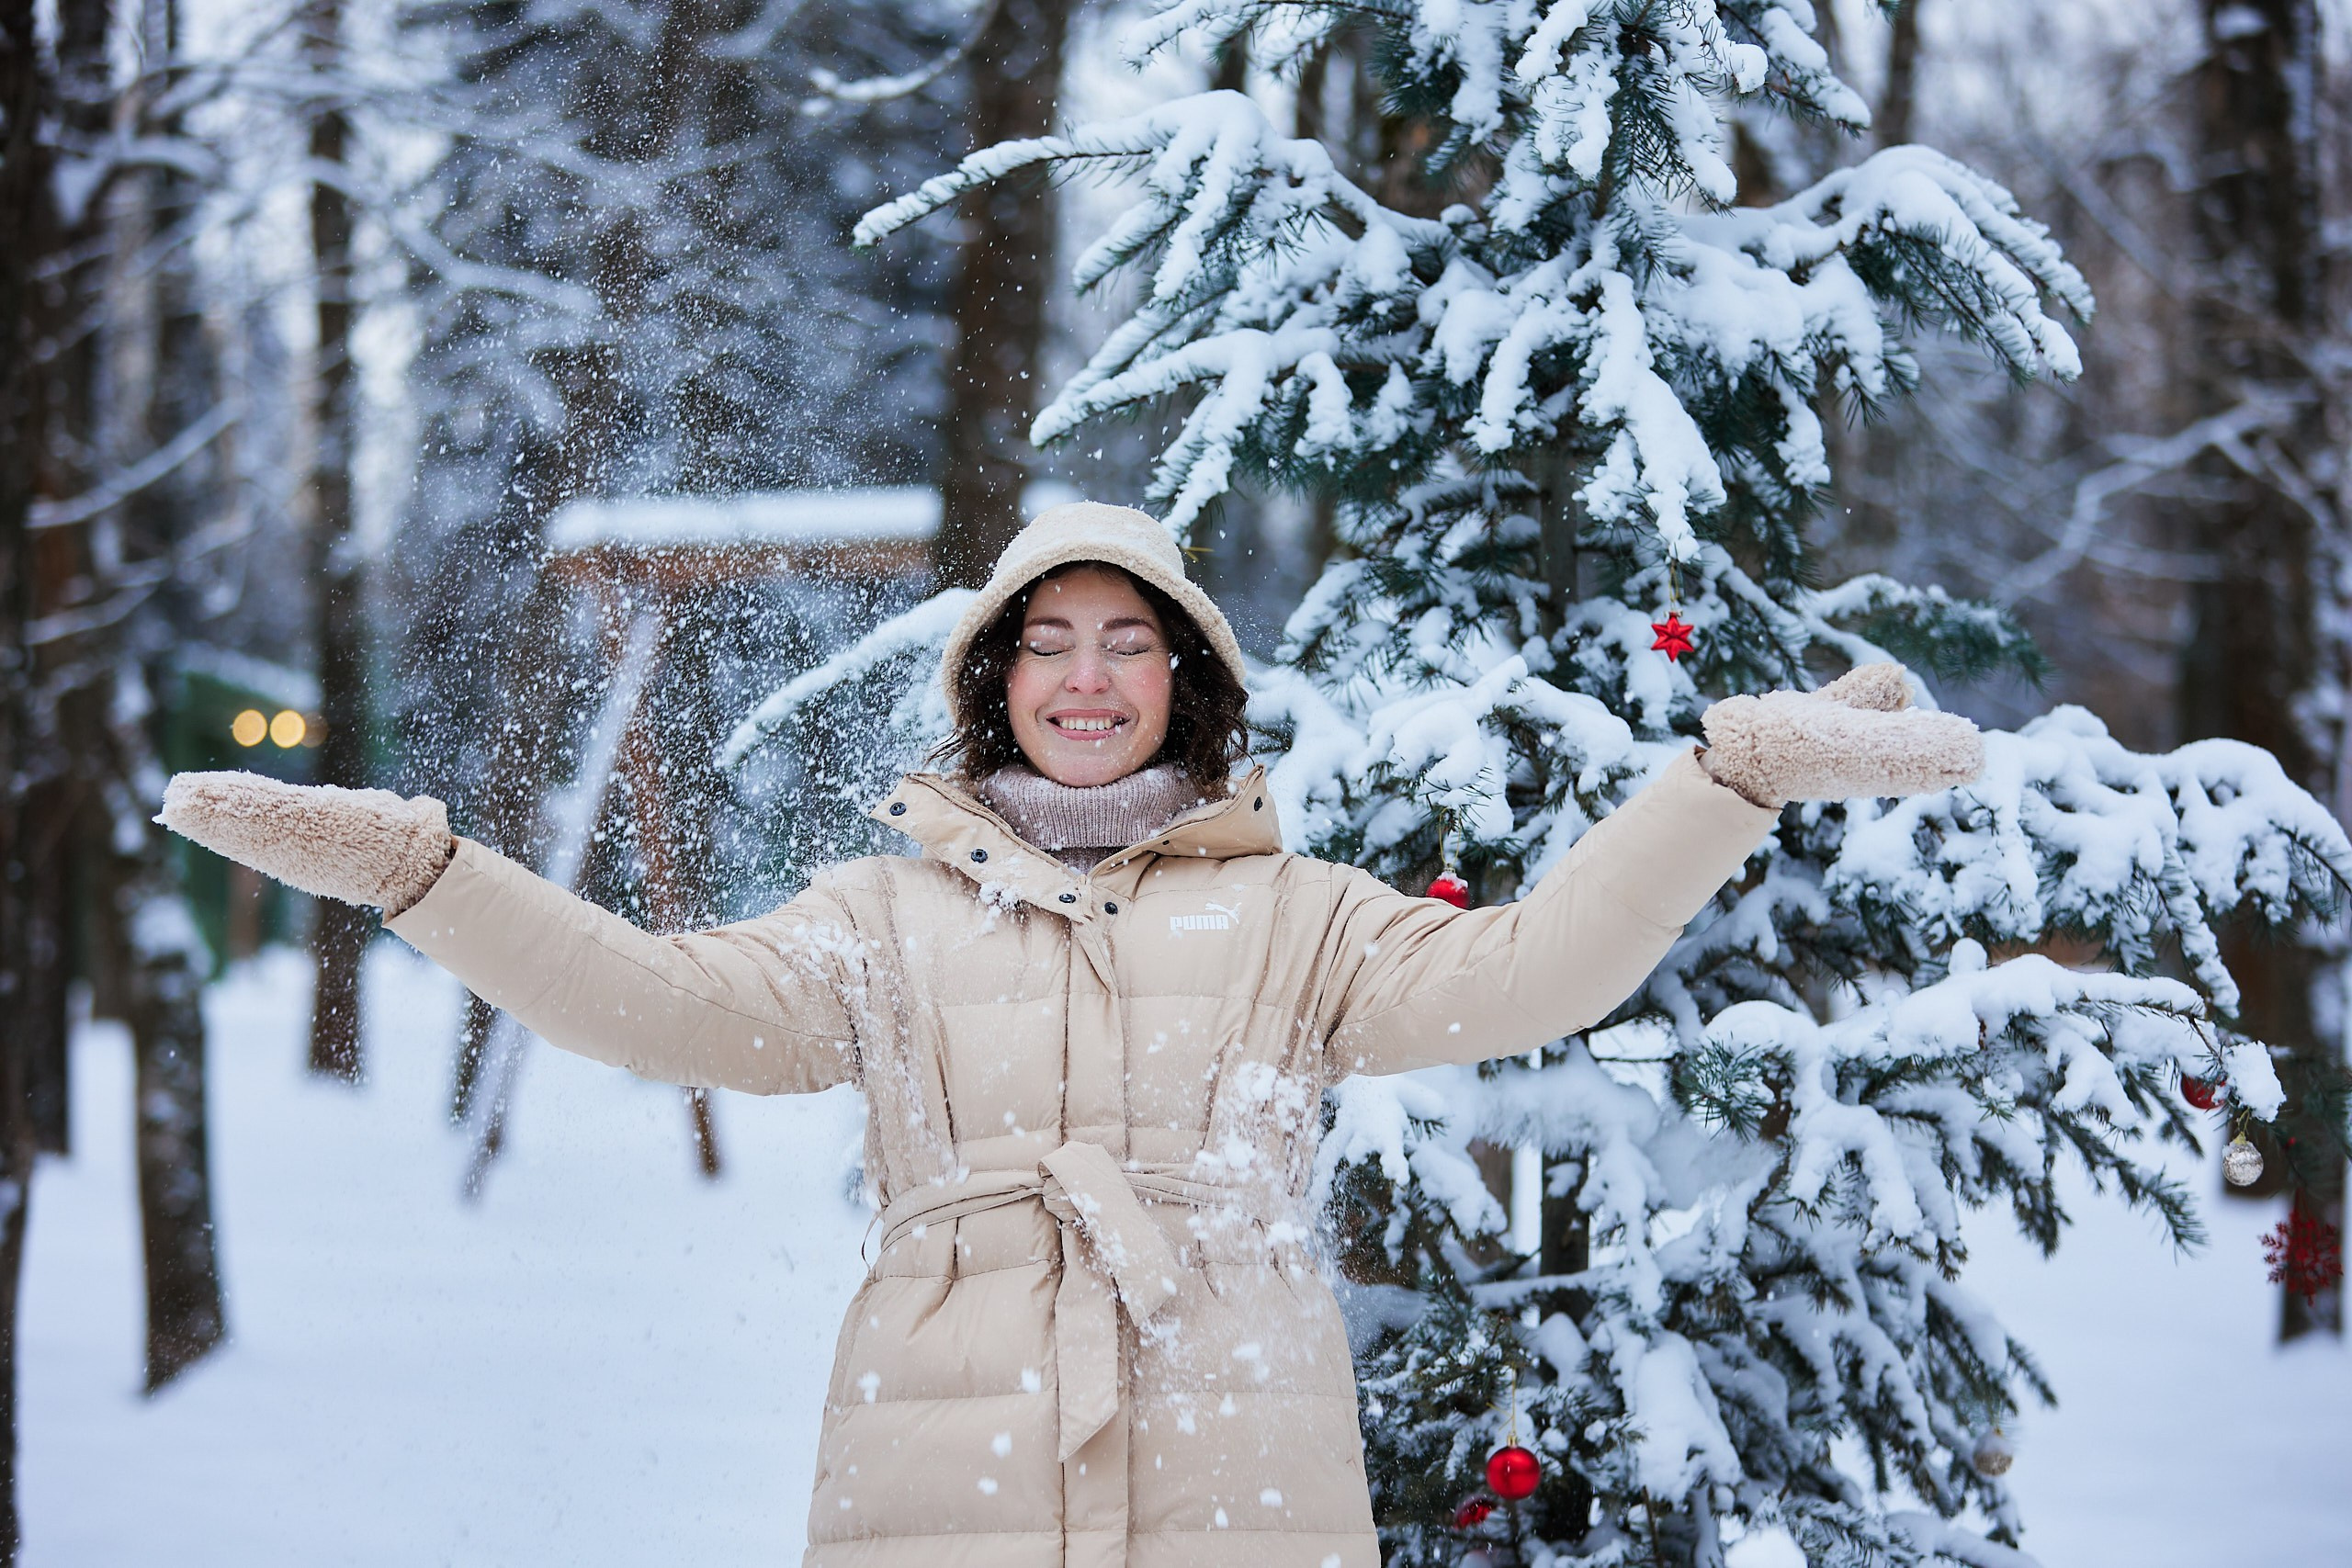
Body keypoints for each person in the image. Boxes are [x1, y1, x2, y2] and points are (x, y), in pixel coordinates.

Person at [161, 502, 1983, 1568]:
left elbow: (1536, 971)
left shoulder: (1297, 910)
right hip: (932, 1451)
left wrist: (1724, 779)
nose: (1088, 674)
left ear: (1181, 677)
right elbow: (660, 1004)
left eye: (1130, 639)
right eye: (1047, 641)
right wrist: (429, 873)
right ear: (994, 680)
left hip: (1235, 1436)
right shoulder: (879, 915)